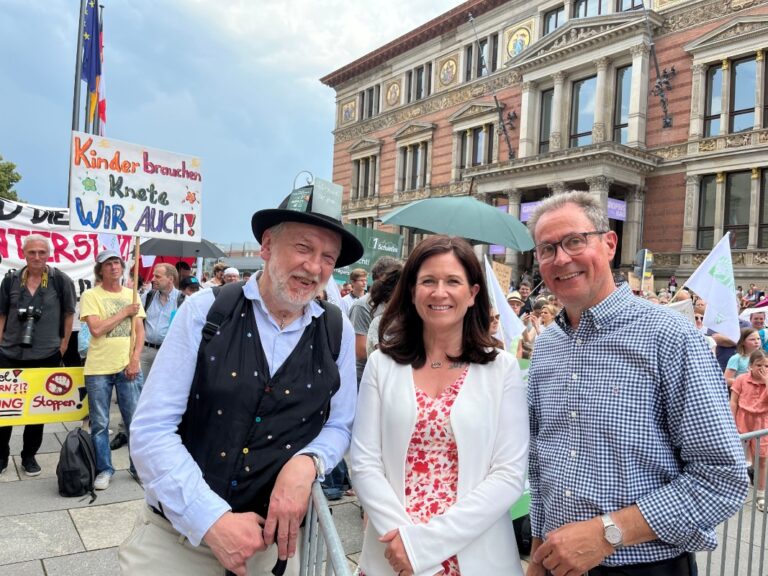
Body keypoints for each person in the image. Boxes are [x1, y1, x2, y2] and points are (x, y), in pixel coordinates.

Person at [121, 192, 364, 576]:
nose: (315, 266)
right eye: (304, 248)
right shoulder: (205, 311)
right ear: (267, 245)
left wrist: (308, 462)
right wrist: (211, 519)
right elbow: (152, 430)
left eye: (328, 258)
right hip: (178, 544)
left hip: (270, 553)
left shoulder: (337, 331)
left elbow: (340, 424)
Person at [526, 191, 747, 576]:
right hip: (556, 563)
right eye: (547, 249)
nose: (561, 258)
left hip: (644, 567)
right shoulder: (547, 344)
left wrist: (607, 533)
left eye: (575, 241)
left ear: (609, 243)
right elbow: (542, 462)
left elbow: (722, 478)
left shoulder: (670, 335)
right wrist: (538, 551)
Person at [350, 235, 529, 576]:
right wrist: (404, 542)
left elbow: (508, 475)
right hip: (393, 552)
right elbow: (364, 463)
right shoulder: (382, 365)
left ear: (473, 293)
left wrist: (426, 546)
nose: (439, 292)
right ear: (413, 291)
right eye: (428, 281)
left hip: (475, 552)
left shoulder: (500, 369)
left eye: (453, 281)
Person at [0, 234, 76, 476]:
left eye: (42, 252)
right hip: (10, 353)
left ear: (49, 254)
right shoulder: (11, 280)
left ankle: (29, 456)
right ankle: (1, 456)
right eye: (32, 252)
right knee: (5, 410)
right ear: (24, 254)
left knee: (37, 410)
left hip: (46, 353)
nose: (36, 257)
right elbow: (2, 314)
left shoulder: (60, 281)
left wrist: (63, 344)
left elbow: (68, 313)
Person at [80, 250, 146, 490]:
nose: (114, 267)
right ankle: (104, 469)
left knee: (134, 422)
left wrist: (135, 359)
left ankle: (138, 467)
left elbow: (140, 331)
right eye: (108, 264)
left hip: (127, 366)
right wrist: (123, 312)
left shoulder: (132, 294)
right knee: (99, 423)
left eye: (117, 262)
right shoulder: (90, 295)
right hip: (98, 368)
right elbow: (96, 329)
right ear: (100, 269)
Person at [730, 349, 768, 511]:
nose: (762, 369)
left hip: (761, 424)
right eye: (758, 365)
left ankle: (760, 494)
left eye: (766, 365)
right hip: (742, 422)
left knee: (761, 460)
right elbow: (733, 402)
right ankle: (733, 492)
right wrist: (731, 423)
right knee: (736, 458)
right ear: (750, 366)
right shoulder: (741, 379)